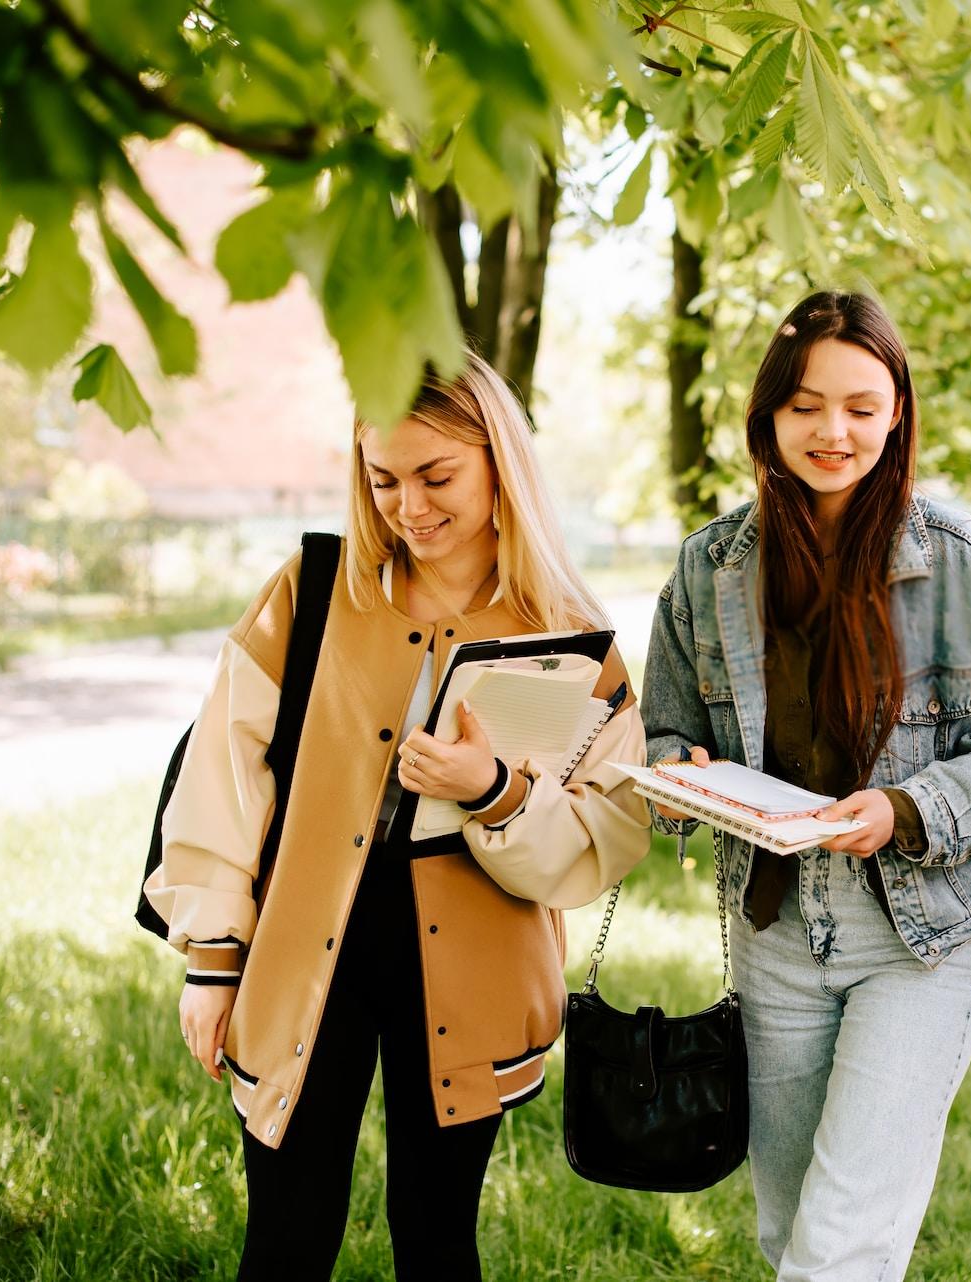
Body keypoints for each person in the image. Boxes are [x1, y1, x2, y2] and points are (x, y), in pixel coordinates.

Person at [144, 352, 651, 1281]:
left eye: (437, 476)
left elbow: (605, 838)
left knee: (437, 1242)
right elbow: (222, 776)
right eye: (383, 480)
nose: (408, 508)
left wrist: (492, 787)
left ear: (502, 464)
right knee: (286, 1243)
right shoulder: (312, 589)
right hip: (306, 947)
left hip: (471, 969)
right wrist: (213, 964)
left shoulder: (572, 635)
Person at [641, 290, 971, 1281]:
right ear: (768, 416)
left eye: (862, 406)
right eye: (806, 405)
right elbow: (666, 736)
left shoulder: (956, 559)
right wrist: (681, 779)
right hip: (775, 935)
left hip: (919, 936)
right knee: (790, 1228)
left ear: (898, 414)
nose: (834, 430)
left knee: (838, 1248)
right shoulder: (708, 569)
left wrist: (909, 809)